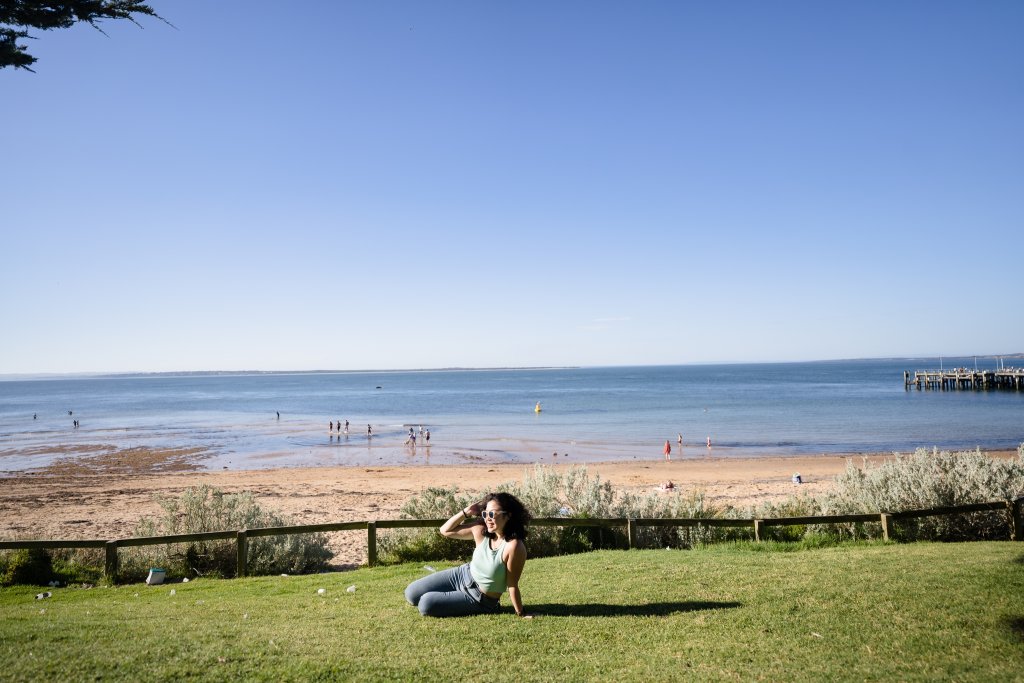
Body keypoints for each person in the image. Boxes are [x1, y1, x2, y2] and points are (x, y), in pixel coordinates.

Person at [405, 492, 533, 618]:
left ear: (508, 515)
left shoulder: (514, 546)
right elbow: (445, 530)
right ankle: (455, 596)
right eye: (485, 513)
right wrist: (466, 512)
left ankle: (486, 606)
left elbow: (512, 584)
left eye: (492, 514)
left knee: (425, 604)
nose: (487, 518)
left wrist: (521, 612)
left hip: (480, 598)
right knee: (411, 593)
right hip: (462, 575)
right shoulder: (481, 530)